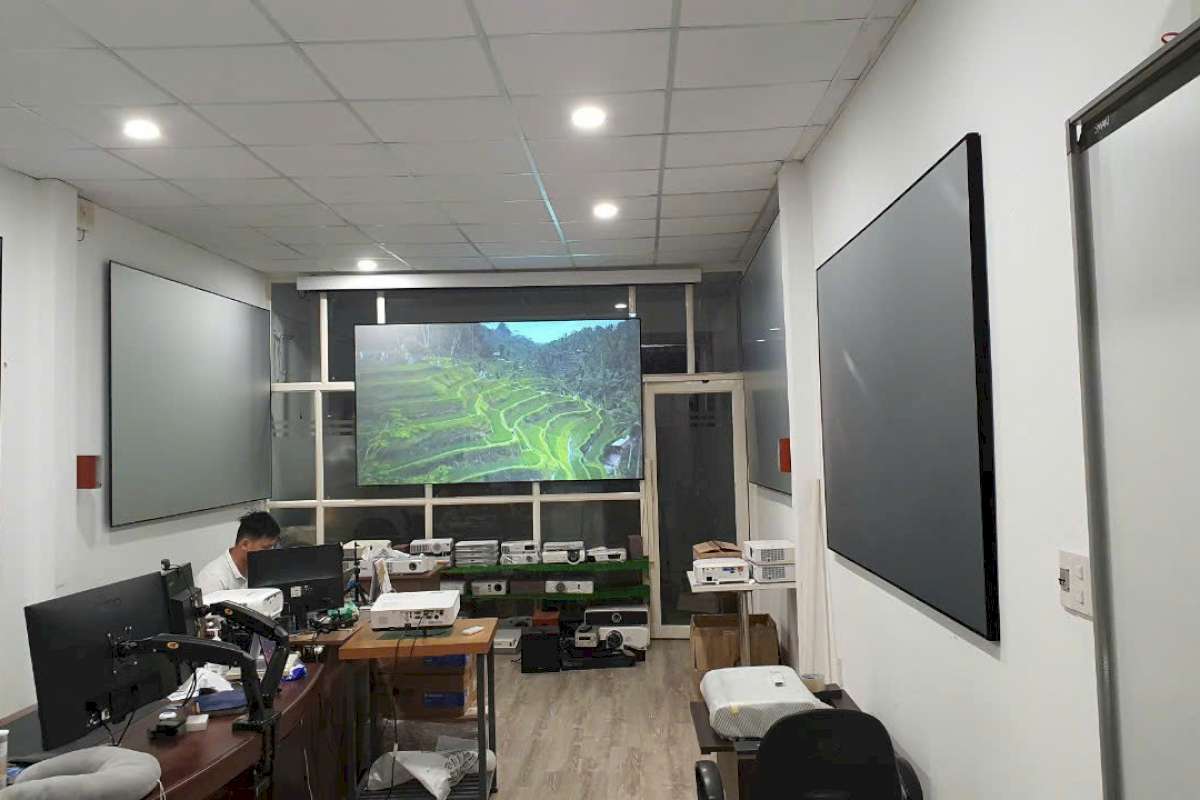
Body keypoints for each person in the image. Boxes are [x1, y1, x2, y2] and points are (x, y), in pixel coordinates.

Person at [195, 511, 281, 596]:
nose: (271, 553)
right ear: (244, 544)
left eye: (273, 546)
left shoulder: (259, 567)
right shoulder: (212, 580)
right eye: (266, 547)